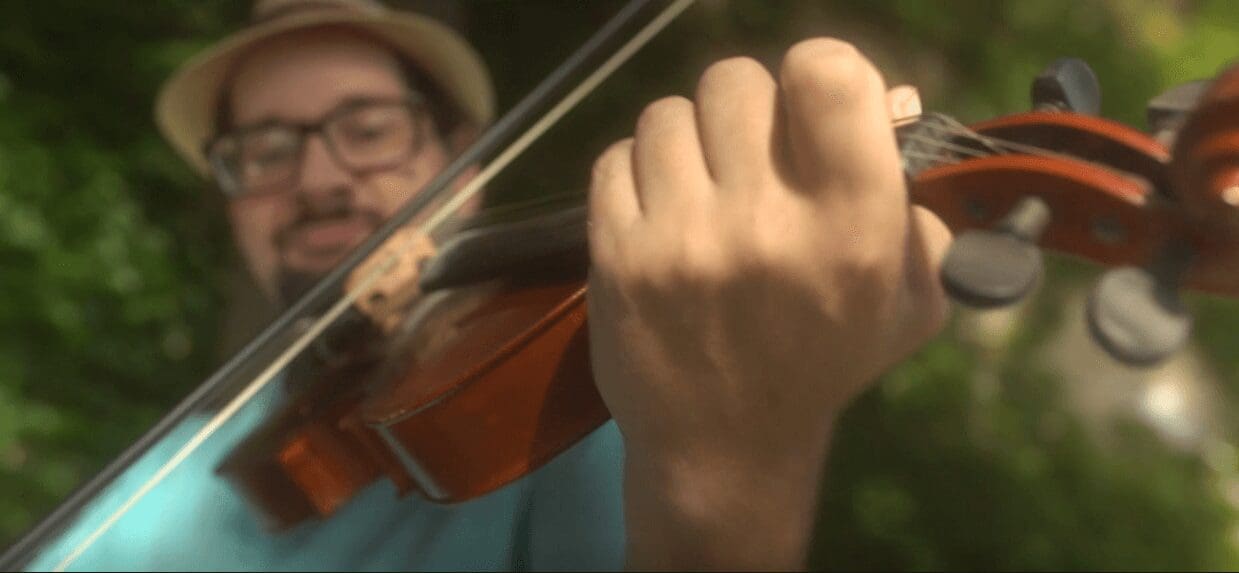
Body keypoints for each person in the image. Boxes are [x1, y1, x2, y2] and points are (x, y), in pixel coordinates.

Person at [31, 0, 1182, 570]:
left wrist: (731, 464)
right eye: (266, 150)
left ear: (465, 163)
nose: (321, 176)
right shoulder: (233, 409)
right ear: (234, 196)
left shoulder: (581, 398)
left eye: (365, 127)